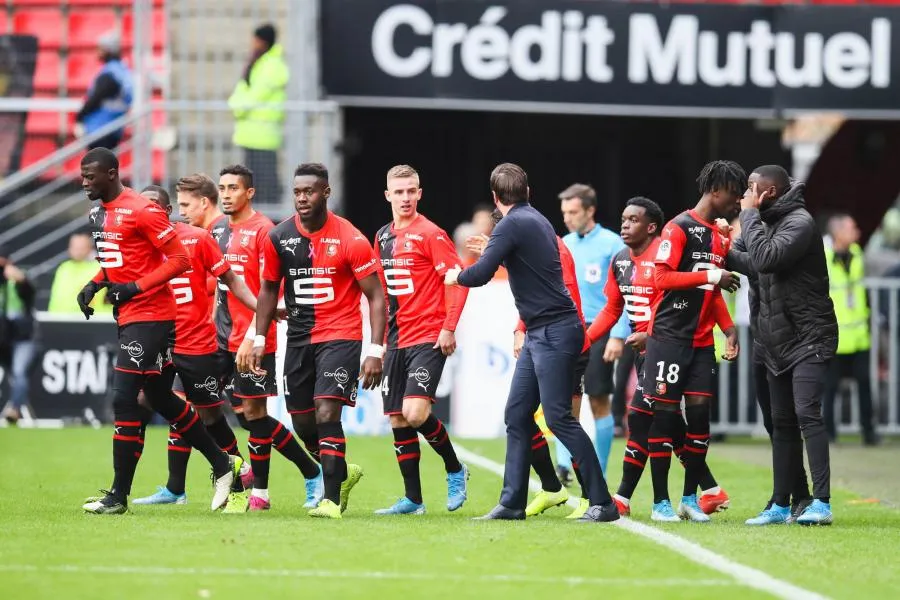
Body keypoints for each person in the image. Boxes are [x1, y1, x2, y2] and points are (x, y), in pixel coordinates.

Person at [445, 163, 618, 522]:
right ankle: (512, 503)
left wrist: (453, 275)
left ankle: (602, 502)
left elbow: (479, 275)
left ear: (495, 197)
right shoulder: (535, 220)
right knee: (518, 414)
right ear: (528, 192)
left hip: (554, 331)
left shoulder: (512, 224)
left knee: (558, 418)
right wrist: (494, 248)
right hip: (546, 330)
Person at [76, 148, 239, 515]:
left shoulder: (141, 209)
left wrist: (134, 289)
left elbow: (180, 259)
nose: (84, 181)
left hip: (151, 317)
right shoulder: (97, 213)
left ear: (112, 174)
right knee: (162, 399)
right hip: (131, 316)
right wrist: (95, 283)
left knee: (125, 399)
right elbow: (122, 262)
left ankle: (118, 495)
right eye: (82, 175)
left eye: (90, 175)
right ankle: (222, 463)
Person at [248, 162, 386, 520]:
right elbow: (266, 290)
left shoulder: (350, 238)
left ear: (326, 193)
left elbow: (376, 296)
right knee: (303, 423)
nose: (302, 198)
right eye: (297, 192)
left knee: (327, 412)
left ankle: (330, 499)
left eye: (309, 191)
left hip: (340, 336)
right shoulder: (278, 237)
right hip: (298, 339)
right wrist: (259, 337)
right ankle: (341, 474)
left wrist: (375, 349)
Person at [587, 198, 734, 519]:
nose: (624, 225)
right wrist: (585, 341)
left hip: (667, 346)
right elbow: (613, 308)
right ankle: (708, 491)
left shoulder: (667, 258)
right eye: (623, 219)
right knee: (661, 421)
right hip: (644, 352)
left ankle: (629, 499)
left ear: (651, 227)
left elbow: (702, 297)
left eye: (633, 220)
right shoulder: (620, 260)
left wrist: (727, 328)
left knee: (646, 419)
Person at [131, 185, 261, 505]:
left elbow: (228, 281)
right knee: (146, 403)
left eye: (152, 206)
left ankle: (236, 474)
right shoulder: (138, 246)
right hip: (160, 344)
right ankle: (166, 488)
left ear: (166, 209)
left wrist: (261, 311)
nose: (145, 212)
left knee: (209, 416)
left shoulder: (198, 239)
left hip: (196, 343)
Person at [208, 165, 323, 513]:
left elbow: (270, 290)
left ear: (250, 193)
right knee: (223, 413)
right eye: (223, 187)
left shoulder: (265, 232)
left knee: (256, 413)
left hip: (254, 338)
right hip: (221, 337)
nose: (226, 194)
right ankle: (304, 468)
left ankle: (260, 491)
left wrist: (250, 335)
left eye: (233, 188)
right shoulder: (216, 231)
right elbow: (220, 288)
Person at [467, 208, 590, 519]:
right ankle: (551, 487)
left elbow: (559, 297)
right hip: (543, 338)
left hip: (564, 343)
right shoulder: (530, 249)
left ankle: (593, 498)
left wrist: (522, 329)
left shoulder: (553, 249)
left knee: (562, 421)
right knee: (521, 416)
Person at [736, 165, 838, 526]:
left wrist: (748, 217)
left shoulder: (800, 222)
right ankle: (781, 504)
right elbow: (746, 260)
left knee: (806, 413)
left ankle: (821, 503)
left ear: (770, 192)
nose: (743, 195)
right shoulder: (761, 221)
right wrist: (722, 246)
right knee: (779, 422)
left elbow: (765, 258)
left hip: (809, 336)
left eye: (750, 188)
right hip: (772, 340)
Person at [642, 160, 743, 523]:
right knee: (666, 418)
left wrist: (729, 329)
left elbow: (709, 289)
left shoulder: (719, 235)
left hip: (701, 343)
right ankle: (659, 503)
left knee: (700, 418)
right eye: (735, 193)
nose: (739, 199)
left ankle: (689, 499)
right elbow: (662, 280)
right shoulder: (677, 227)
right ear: (715, 191)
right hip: (669, 338)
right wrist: (714, 274)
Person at [371, 165, 470, 516]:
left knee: (414, 413)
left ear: (420, 193)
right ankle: (413, 500)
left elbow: (456, 281)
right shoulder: (382, 236)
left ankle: (456, 468)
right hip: (396, 339)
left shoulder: (432, 234)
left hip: (428, 335)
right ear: (388, 196)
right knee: (398, 419)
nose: (406, 198)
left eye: (411, 191)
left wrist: (449, 327)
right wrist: (377, 344)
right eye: (399, 192)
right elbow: (381, 294)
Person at [723, 220, 814, 523]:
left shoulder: (777, 244)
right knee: (774, 421)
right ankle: (798, 496)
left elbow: (755, 262)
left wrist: (727, 243)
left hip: (788, 339)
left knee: (784, 419)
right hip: (761, 336)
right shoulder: (753, 242)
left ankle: (787, 499)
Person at [559, 183, 630, 479]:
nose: (567, 218)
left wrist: (618, 333)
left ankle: (597, 470)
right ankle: (564, 464)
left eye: (573, 212)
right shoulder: (564, 243)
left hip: (601, 328)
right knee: (562, 397)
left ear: (590, 211)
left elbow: (627, 291)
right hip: (567, 327)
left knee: (598, 399)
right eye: (564, 213)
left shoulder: (613, 244)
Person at [822, 214, 878, 445]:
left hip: (858, 337)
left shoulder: (856, 253)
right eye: (851, 228)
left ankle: (869, 433)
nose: (856, 232)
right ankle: (829, 434)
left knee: (865, 387)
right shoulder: (823, 257)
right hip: (834, 336)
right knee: (829, 389)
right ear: (838, 233)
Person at [228, 23, 289, 204]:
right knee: (254, 179)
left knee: (265, 181)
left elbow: (254, 95)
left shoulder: (272, 65)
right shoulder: (260, 61)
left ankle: (271, 219)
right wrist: (237, 103)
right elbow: (244, 89)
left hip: (263, 133)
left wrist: (237, 107)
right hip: (252, 132)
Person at [74, 32, 133, 150]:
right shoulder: (123, 71)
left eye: (100, 48)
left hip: (99, 129)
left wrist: (79, 116)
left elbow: (95, 98)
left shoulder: (109, 74)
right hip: (115, 129)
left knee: (97, 166)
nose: (98, 52)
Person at [0, 246, 37, 424]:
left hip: (23, 338)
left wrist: (19, 278)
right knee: (16, 374)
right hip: (3, 338)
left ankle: (14, 409)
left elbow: (30, 291)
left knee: (19, 372)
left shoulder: (18, 280)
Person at [48, 232, 113, 315]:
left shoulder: (102, 268)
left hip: (93, 320)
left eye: (81, 248)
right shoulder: (64, 268)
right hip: (59, 320)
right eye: (75, 247)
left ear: (90, 248)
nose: (78, 251)